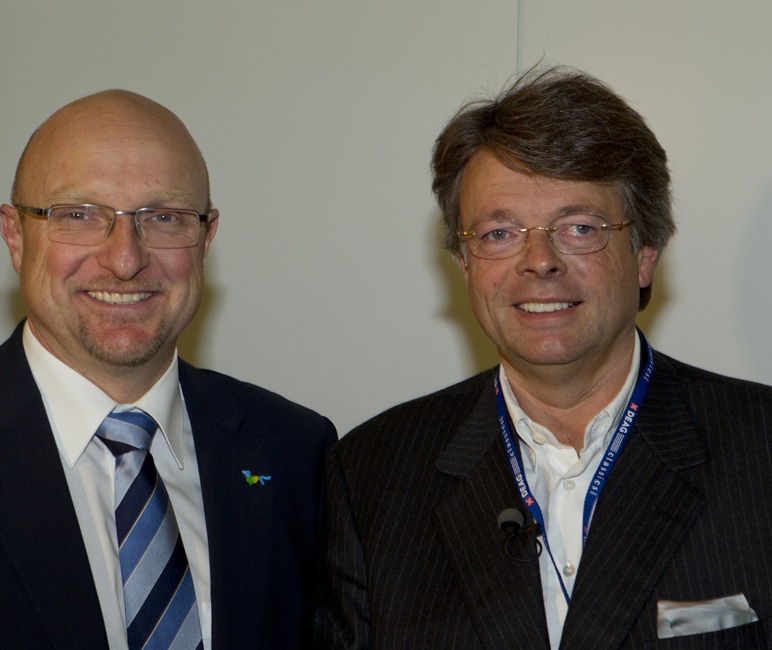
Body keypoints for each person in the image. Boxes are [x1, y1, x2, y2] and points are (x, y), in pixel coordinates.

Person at [315, 67, 772, 648]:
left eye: (578, 227)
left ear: (645, 255)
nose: (539, 260)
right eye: (499, 233)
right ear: (464, 265)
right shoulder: (373, 475)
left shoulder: (761, 448)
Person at [0, 89, 336, 649]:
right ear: (15, 236)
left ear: (206, 238)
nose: (125, 259)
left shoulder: (295, 452)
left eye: (163, 217)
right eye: (78, 215)